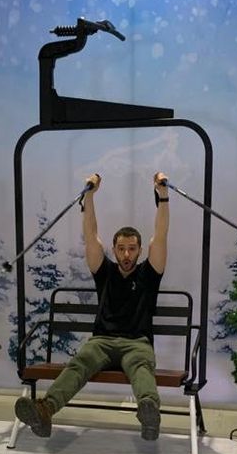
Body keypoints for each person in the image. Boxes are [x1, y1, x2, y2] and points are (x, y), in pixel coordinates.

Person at [14, 171, 170, 440]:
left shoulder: (150, 272)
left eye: (132, 249)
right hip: (102, 341)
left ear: (140, 250)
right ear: (114, 248)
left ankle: (149, 413)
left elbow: (161, 235)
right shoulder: (104, 271)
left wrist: (163, 196)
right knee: (80, 363)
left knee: (141, 367)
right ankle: (45, 411)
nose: (126, 254)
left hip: (137, 342)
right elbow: (91, 233)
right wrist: (89, 195)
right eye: (121, 248)